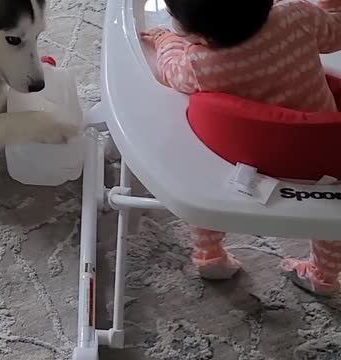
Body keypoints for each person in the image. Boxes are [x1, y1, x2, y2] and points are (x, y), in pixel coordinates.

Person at [141, 0, 341, 296]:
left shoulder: (198, 64)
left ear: (195, 31)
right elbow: (335, 33)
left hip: (242, 160)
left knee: (203, 180)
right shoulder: (298, 15)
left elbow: (169, 71)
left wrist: (165, 40)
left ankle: (210, 257)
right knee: (330, 216)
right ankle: (323, 277)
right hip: (320, 158)